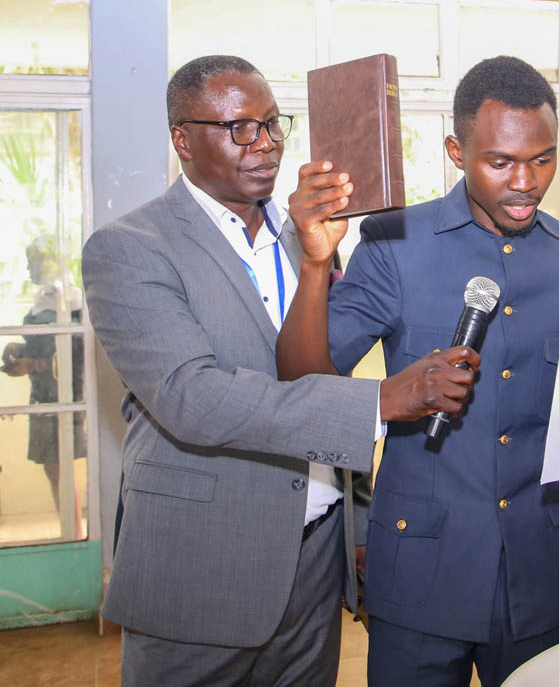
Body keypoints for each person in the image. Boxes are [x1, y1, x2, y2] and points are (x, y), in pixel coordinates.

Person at [82, 55, 478, 686]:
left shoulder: (305, 238)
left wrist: (353, 525)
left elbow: (313, 379)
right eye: (240, 128)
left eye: (273, 124)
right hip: (200, 569)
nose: (265, 145)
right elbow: (193, 397)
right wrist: (379, 402)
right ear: (182, 139)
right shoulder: (130, 248)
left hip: (314, 566)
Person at [277, 55, 559, 686]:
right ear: (457, 151)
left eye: (543, 159)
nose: (526, 181)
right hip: (420, 571)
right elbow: (303, 383)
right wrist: (318, 264)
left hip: (538, 577)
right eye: (501, 162)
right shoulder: (394, 240)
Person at [2, 235, 85, 517]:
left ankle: (71, 533)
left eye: (31, 262)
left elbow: (72, 354)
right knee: (54, 469)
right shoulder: (45, 298)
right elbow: (46, 344)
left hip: (61, 395)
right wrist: (19, 348)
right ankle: (69, 530)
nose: (28, 269)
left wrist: (33, 365)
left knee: (59, 467)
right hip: (44, 394)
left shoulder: (69, 300)